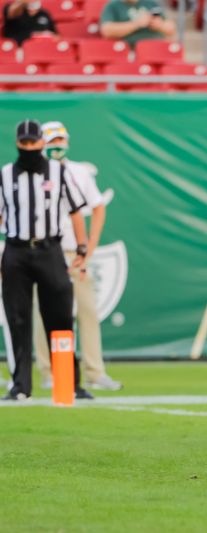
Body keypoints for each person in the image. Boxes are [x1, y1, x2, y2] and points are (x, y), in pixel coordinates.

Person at [1, 120, 93, 401]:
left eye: (33, 142)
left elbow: (76, 211)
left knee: (61, 316)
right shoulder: (5, 175)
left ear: (42, 142)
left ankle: (69, 383)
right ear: (18, 144)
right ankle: (21, 387)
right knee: (17, 319)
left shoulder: (58, 172)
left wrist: (81, 248)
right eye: (24, 143)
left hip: (49, 250)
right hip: (16, 251)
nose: (29, 147)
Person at [31, 121, 122, 392]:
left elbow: (97, 208)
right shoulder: (33, 174)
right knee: (42, 312)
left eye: (60, 140)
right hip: (45, 249)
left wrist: (89, 247)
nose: (56, 145)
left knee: (87, 311)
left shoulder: (79, 172)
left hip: (74, 250)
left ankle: (95, 371)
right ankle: (48, 371)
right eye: (51, 140)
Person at [99, 0, 176, 48]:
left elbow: (171, 29)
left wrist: (160, 25)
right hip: (128, 50)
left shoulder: (151, 3)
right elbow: (107, 31)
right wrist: (137, 24)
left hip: (155, 48)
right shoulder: (113, 5)